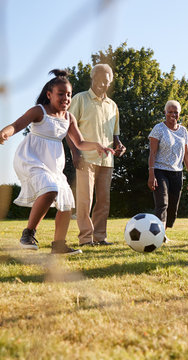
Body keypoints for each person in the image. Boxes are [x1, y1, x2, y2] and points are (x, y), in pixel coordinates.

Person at [0, 69, 114, 254]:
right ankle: (28, 233)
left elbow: (79, 143)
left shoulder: (68, 118)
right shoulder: (39, 111)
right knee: (50, 190)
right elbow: (17, 125)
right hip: (31, 158)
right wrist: (5, 133)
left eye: (69, 95)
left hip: (54, 165)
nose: (66, 98)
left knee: (66, 202)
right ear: (49, 95)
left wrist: (97, 146)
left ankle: (58, 245)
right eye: (61, 94)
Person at [67, 64, 126, 247]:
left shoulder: (113, 105)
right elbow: (68, 129)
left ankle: (99, 237)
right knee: (85, 201)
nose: (102, 84)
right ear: (92, 78)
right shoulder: (80, 99)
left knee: (103, 201)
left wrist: (119, 144)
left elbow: (115, 134)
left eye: (106, 82)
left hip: (107, 160)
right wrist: (75, 154)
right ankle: (86, 239)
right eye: (99, 80)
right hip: (85, 158)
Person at [148, 100, 188, 242]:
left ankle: (162, 233)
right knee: (163, 203)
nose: (173, 115)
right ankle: (158, 236)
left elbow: (186, 154)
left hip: (177, 172)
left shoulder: (183, 131)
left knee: (173, 208)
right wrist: (151, 174)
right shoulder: (158, 129)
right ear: (165, 113)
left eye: (176, 112)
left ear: (179, 114)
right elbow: (153, 153)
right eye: (170, 112)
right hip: (160, 170)